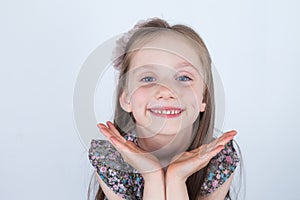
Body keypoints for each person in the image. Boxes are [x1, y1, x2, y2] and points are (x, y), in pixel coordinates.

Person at [88, 18, 240, 200]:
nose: (167, 91)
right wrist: (152, 176)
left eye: (184, 78)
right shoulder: (111, 159)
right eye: (148, 78)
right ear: (126, 98)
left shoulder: (218, 157)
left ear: (203, 98)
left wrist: (176, 177)